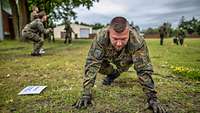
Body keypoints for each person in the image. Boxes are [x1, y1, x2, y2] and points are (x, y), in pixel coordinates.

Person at [73, 16, 167, 113]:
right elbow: (92, 63)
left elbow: (143, 69)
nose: (118, 43)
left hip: (126, 57)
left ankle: (117, 72)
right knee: (100, 67)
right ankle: (112, 73)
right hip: (107, 55)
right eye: (115, 38)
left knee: (123, 66)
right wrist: (86, 94)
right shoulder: (101, 36)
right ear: (109, 32)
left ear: (129, 33)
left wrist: (152, 98)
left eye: (123, 39)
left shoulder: (137, 40)